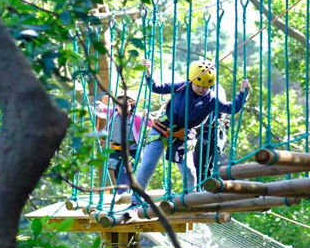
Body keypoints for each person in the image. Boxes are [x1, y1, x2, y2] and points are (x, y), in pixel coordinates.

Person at [131, 58, 250, 205]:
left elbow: (231, 109)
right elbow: (157, 87)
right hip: (161, 130)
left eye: (206, 86)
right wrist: (148, 73)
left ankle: (191, 200)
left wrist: (242, 94)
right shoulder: (182, 87)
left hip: (183, 136)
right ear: (191, 80)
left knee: (189, 171)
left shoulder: (211, 99)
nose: (202, 89)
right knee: (147, 165)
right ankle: (135, 201)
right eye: (198, 85)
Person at [96, 94, 143, 193]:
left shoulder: (137, 117)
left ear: (130, 106)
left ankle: (123, 194)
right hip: (116, 149)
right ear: (116, 106)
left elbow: (151, 122)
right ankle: (124, 192)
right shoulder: (112, 113)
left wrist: (148, 117)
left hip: (131, 150)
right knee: (117, 171)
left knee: (124, 169)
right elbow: (100, 107)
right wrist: (97, 105)